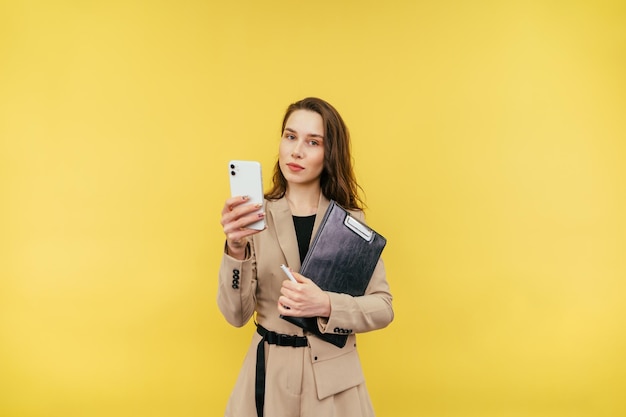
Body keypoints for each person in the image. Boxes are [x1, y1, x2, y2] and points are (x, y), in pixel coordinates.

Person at [218, 97, 394, 417]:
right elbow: (235, 315)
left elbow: (383, 307)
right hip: (268, 378)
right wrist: (235, 249)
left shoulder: (350, 223)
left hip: (333, 386)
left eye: (313, 142)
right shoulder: (255, 219)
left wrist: (325, 304)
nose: (296, 151)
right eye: (290, 136)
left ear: (330, 154)